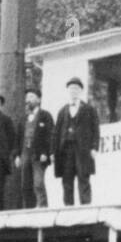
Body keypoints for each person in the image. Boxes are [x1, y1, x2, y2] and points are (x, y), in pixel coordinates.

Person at [52, 77, 100, 206]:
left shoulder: (89, 109)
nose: (73, 91)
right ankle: (68, 207)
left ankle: (86, 206)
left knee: (83, 177)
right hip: (66, 149)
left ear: (80, 91)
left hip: (83, 149)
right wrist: (53, 152)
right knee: (67, 179)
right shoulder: (62, 111)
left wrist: (94, 147)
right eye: (71, 89)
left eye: (76, 89)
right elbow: (56, 133)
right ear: (68, 91)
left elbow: (95, 129)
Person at [16, 88, 54, 209]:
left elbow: (51, 136)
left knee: (38, 183)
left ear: (39, 99)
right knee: (25, 184)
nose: (28, 100)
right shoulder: (23, 119)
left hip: (39, 154)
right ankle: (28, 210)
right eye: (27, 98)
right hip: (25, 153)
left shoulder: (45, 116)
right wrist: (17, 155)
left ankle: (43, 207)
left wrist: (46, 153)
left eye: (31, 97)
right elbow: (18, 139)